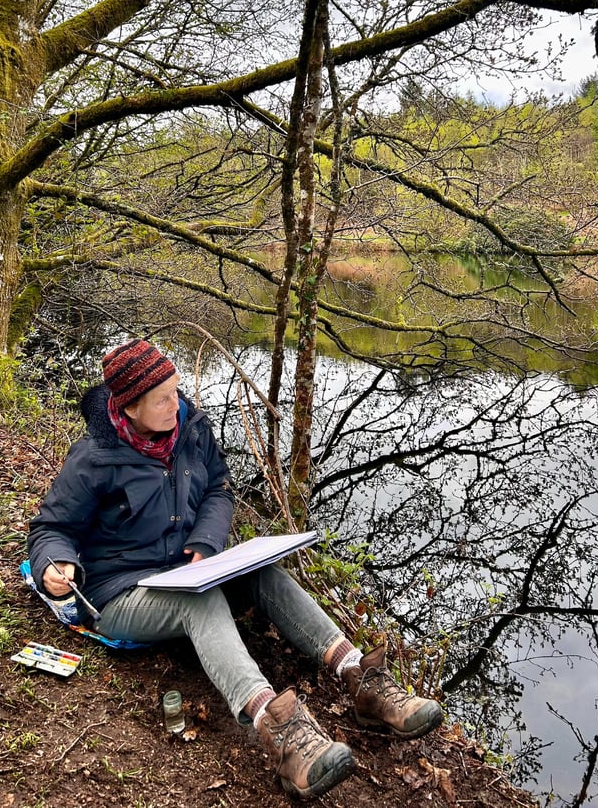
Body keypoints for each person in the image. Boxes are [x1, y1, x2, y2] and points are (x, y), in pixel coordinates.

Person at [27, 338, 443, 800]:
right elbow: (51, 528)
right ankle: (278, 730)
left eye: (176, 390)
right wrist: (55, 563)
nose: (177, 405)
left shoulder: (191, 427)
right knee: (199, 603)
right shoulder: (94, 457)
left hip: (188, 567)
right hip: (120, 590)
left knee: (265, 573)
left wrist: (206, 543)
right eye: (162, 399)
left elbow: (219, 489)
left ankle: (359, 678)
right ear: (128, 409)